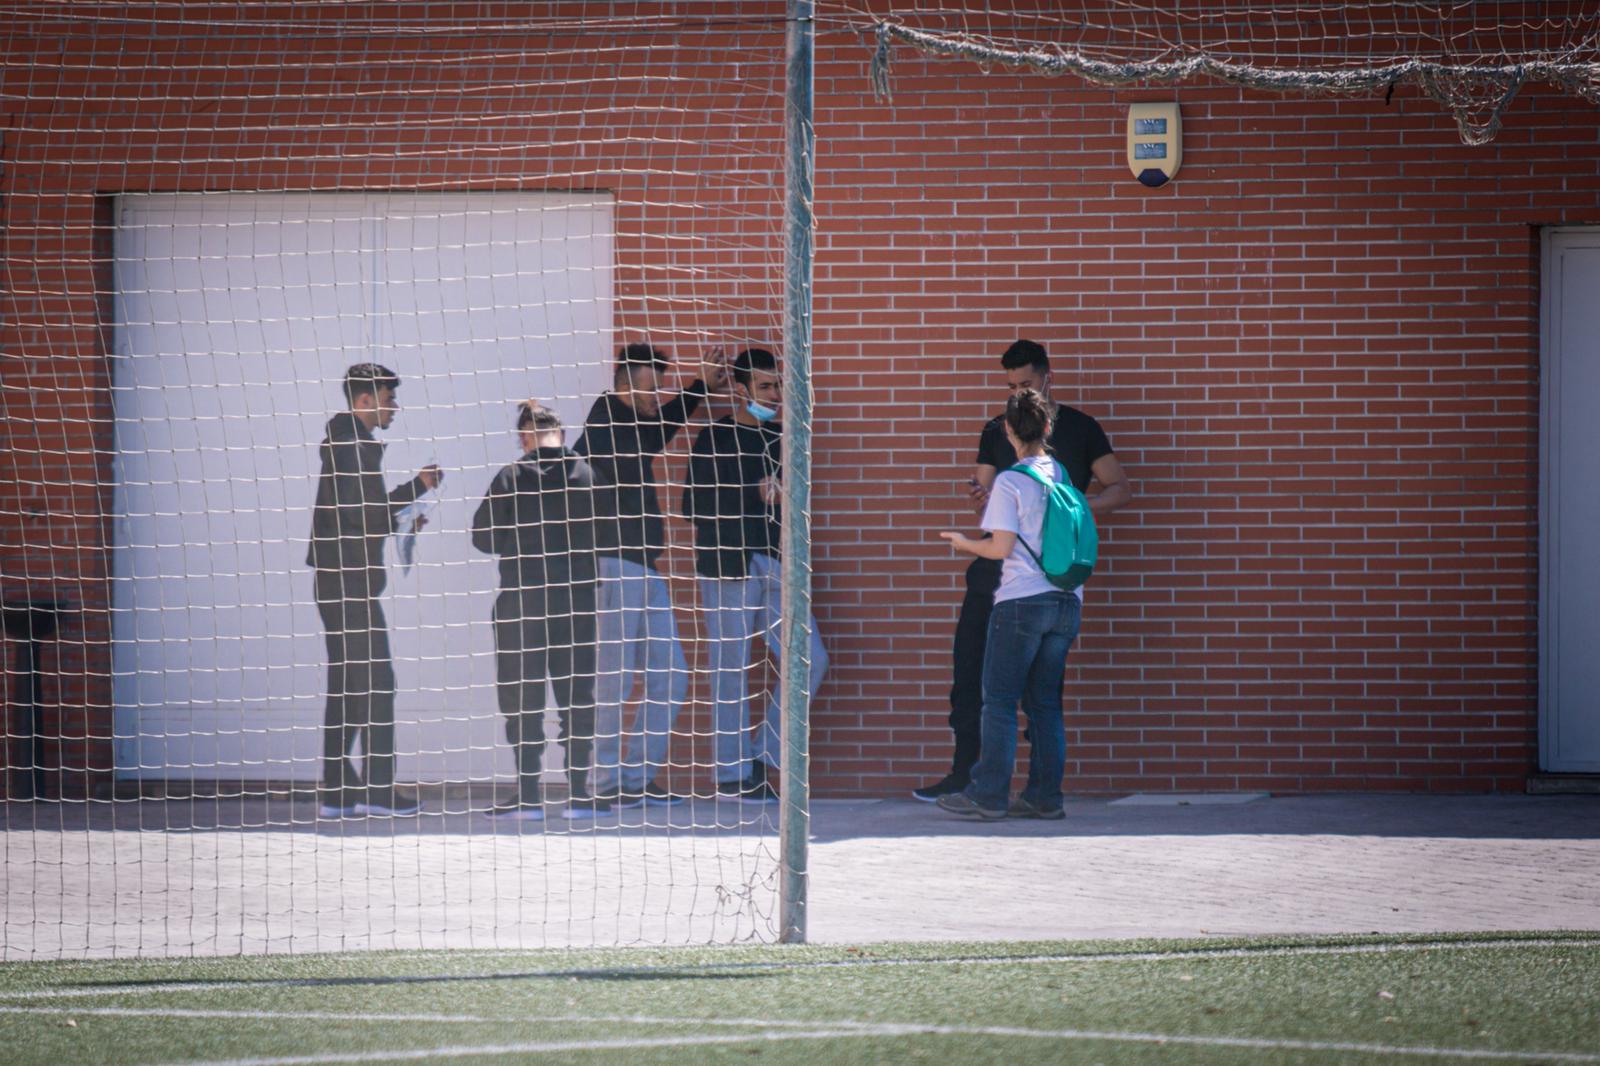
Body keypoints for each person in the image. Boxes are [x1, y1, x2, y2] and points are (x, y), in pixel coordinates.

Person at [914, 339, 1132, 803]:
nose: (1015, 394)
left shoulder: (1079, 429)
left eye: (1024, 384)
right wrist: (990, 499)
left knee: (1004, 699)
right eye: (1010, 386)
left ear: (1046, 378)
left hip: (1018, 580)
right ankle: (1022, 790)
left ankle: (987, 794)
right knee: (988, 680)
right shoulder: (1005, 436)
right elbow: (986, 491)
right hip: (1053, 590)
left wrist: (1064, 513)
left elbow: (1117, 490)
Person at [576, 342, 726, 809]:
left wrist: (698, 386)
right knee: (613, 679)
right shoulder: (604, 420)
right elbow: (654, 432)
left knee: (671, 675)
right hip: (611, 563)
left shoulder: (636, 423)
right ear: (626, 380)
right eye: (652, 383)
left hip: (646, 565)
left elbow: (656, 429)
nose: (659, 392)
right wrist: (697, 386)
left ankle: (637, 777)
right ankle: (599, 783)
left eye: (662, 383)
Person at [682, 347, 828, 801]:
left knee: (811, 659)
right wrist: (755, 493)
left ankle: (764, 755)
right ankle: (732, 776)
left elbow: (793, 504)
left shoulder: (783, 436)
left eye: (778, 385)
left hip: (774, 564)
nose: (776, 394)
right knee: (729, 672)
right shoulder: (715, 436)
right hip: (726, 565)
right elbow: (692, 506)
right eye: (766, 386)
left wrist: (784, 497)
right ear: (741, 390)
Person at [936, 388, 1086, 820]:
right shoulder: (1060, 473)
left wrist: (965, 543)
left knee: (998, 699)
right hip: (1066, 599)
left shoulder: (1010, 481)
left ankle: (988, 794)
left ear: (1007, 430)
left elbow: (1000, 548)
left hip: (1022, 600)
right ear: (1048, 427)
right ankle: (1044, 797)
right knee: (1043, 702)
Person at [307, 362, 442, 820]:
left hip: (337, 580)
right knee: (378, 685)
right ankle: (378, 792)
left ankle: (338, 794)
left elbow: (361, 517)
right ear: (365, 400)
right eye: (388, 397)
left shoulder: (348, 442)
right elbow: (365, 517)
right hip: (347, 584)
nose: (393, 407)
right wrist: (416, 488)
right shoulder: (352, 445)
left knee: (347, 687)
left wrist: (402, 517)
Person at [471, 401, 602, 822]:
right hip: (576, 600)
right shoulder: (586, 474)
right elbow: (608, 528)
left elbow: (483, 538)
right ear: (560, 434)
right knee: (577, 696)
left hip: (523, 601)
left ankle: (528, 795)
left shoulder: (511, 476)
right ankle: (579, 795)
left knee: (522, 697)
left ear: (525, 436)